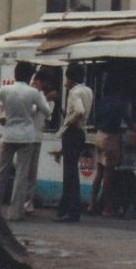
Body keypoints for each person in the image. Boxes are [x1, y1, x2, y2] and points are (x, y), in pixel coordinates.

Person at [0, 61, 54, 221]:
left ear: (15, 74)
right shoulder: (33, 92)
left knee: (0, 172)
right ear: (30, 76)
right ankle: (15, 212)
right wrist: (34, 107)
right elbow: (47, 111)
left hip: (8, 135)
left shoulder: (6, 90)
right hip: (27, 136)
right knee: (22, 174)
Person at [55, 63, 93, 222]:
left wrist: (67, 123)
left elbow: (79, 110)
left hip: (72, 132)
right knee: (72, 172)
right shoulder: (88, 90)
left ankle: (71, 211)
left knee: (69, 173)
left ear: (70, 78)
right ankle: (64, 209)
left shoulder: (74, 92)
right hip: (81, 133)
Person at [89, 86, 130, 217]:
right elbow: (130, 123)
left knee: (99, 171)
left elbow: (96, 120)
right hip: (110, 138)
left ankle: (92, 204)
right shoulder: (120, 104)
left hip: (99, 136)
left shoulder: (103, 101)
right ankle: (107, 209)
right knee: (108, 174)